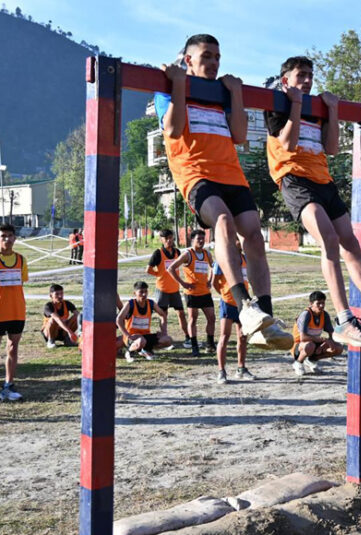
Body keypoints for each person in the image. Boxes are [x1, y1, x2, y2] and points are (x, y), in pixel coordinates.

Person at [265, 56, 361, 347]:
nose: (307, 80)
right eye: (300, 75)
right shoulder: (277, 102)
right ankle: (345, 321)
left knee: (351, 245)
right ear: (286, 80)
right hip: (294, 179)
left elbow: (331, 148)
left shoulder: (316, 107)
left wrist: (332, 110)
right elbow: (288, 144)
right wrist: (296, 103)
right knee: (329, 241)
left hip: (323, 181)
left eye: (310, 75)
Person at [156, 33, 290, 351]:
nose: (214, 62)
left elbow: (240, 135)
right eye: (207, 56)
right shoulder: (168, 87)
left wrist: (237, 93)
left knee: (254, 235)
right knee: (223, 222)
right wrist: (178, 83)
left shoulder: (221, 92)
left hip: (231, 174)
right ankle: (244, 306)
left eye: (218, 57)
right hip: (196, 174)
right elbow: (172, 129)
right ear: (188, 60)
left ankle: (265, 316)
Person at [167, 229, 217, 357]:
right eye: (198, 239)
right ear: (192, 240)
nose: (201, 241)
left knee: (212, 318)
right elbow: (171, 268)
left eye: (203, 238)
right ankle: (194, 346)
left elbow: (213, 267)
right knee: (193, 319)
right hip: (192, 293)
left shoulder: (207, 254)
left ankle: (210, 344)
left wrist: (210, 280)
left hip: (205, 292)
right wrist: (183, 283)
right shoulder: (187, 254)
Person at [212, 238, 255, 384]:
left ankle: (241, 368)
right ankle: (221, 371)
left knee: (242, 337)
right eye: (238, 240)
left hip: (243, 303)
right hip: (228, 303)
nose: (241, 242)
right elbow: (214, 282)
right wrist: (224, 294)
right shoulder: (222, 259)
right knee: (224, 336)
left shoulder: (245, 259)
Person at [146, 229, 191, 348]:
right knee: (163, 315)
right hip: (162, 290)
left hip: (175, 290)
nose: (169, 240)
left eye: (171, 238)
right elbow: (148, 269)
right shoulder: (158, 253)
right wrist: (159, 274)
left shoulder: (177, 252)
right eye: (166, 238)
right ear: (162, 240)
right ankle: (164, 338)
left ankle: (188, 337)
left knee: (181, 314)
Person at [0, 224, 27, 401]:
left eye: (10, 236)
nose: (7, 239)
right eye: (3, 236)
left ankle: (9, 385)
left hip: (16, 311)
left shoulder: (21, 259)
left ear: (15, 238)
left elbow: (21, 283)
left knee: (13, 347)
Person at [116, 281, 172, 362]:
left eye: (146, 291)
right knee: (141, 341)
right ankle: (129, 352)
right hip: (132, 337)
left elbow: (163, 315)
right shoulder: (130, 304)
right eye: (141, 292)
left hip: (145, 336)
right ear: (135, 293)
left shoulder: (151, 303)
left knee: (167, 340)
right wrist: (127, 335)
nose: (144, 294)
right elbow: (119, 319)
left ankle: (145, 349)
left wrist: (164, 331)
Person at [290, 291, 343, 376]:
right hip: (299, 346)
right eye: (318, 303)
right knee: (310, 345)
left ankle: (312, 360)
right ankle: (298, 362)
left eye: (323, 303)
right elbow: (303, 338)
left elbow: (332, 334)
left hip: (314, 343)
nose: (321, 306)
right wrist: (323, 340)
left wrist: (329, 343)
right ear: (311, 304)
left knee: (338, 348)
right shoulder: (306, 315)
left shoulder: (324, 315)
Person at [41, 284, 79, 348]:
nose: (60, 296)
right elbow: (57, 320)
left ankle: (67, 339)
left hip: (63, 331)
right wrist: (70, 332)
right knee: (53, 319)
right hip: (50, 332)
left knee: (78, 317)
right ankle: (51, 341)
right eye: (57, 294)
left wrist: (82, 331)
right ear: (51, 295)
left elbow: (79, 315)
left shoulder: (67, 303)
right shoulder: (48, 306)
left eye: (61, 293)